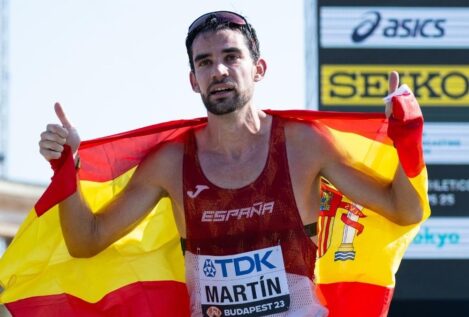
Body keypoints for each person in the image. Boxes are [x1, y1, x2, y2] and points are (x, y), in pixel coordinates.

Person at [38, 11, 424, 317]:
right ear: (193, 80)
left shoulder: (303, 145)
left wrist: (407, 142)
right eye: (205, 62)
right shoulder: (170, 163)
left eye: (231, 57)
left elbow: (404, 210)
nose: (218, 71)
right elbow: (86, 241)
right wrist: (66, 169)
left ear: (259, 69)